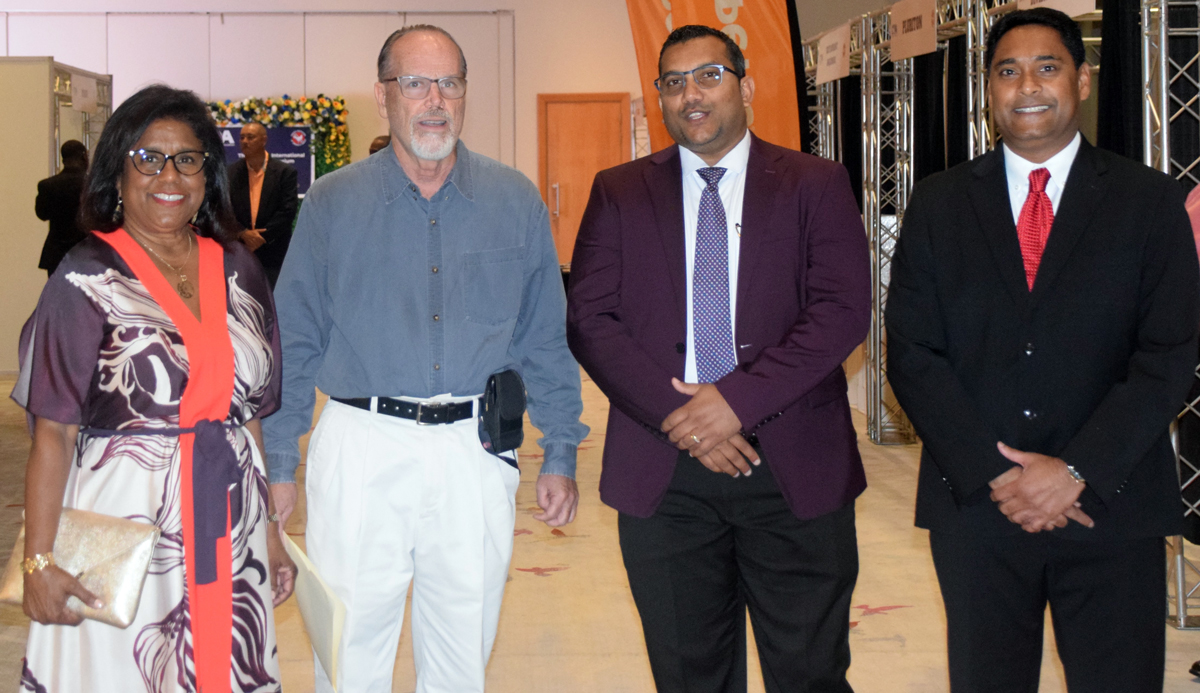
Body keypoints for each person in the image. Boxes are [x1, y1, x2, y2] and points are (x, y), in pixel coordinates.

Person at [263, 25, 588, 693]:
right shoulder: (332, 204)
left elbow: (543, 337)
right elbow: (294, 338)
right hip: (361, 447)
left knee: (462, 657)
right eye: (414, 83)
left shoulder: (513, 200)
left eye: (449, 83)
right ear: (383, 96)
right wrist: (279, 462)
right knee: (348, 651)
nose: (434, 100)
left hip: (475, 452)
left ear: (465, 93)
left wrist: (559, 449)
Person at [886, 9, 1200, 691]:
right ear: (988, 90)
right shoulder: (939, 203)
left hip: (1112, 505)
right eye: (1008, 71)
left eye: (1047, 67)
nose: (1026, 85)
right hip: (980, 509)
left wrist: (1077, 468)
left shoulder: (1149, 201)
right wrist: (996, 474)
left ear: (1082, 81)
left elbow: (1168, 354)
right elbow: (911, 351)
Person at [567, 25, 870, 693]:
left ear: (746, 87)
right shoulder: (619, 190)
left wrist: (734, 402)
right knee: (689, 676)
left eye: (709, 75)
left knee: (810, 675)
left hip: (793, 468)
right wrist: (687, 418)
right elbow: (590, 320)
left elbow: (841, 311)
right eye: (673, 83)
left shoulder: (814, 183)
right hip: (665, 473)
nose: (691, 95)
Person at [12, 84, 296, 693]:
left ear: (206, 175)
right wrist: (39, 560)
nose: (169, 175)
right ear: (117, 172)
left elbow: (247, 415)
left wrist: (270, 531)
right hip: (127, 526)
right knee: (129, 670)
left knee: (225, 664)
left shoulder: (239, 269)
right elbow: (54, 432)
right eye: (148, 158)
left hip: (231, 517)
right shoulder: (85, 277)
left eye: (187, 159)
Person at [228, 122, 299, 288]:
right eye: (242, 137)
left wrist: (261, 238)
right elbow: (225, 209)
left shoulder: (284, 172)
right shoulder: (230, 173)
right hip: (240, 250)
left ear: (264, 140)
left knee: (273, 298)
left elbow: (287, 210)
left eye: (250, 137)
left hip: (273, 252)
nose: (245, 141)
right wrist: (243, 233)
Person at [35, 139, 89, 275]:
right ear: (84, 157)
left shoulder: (47, 185)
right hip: (87, 250)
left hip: (57, 252)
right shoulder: (91, 185)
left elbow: (42, 214)